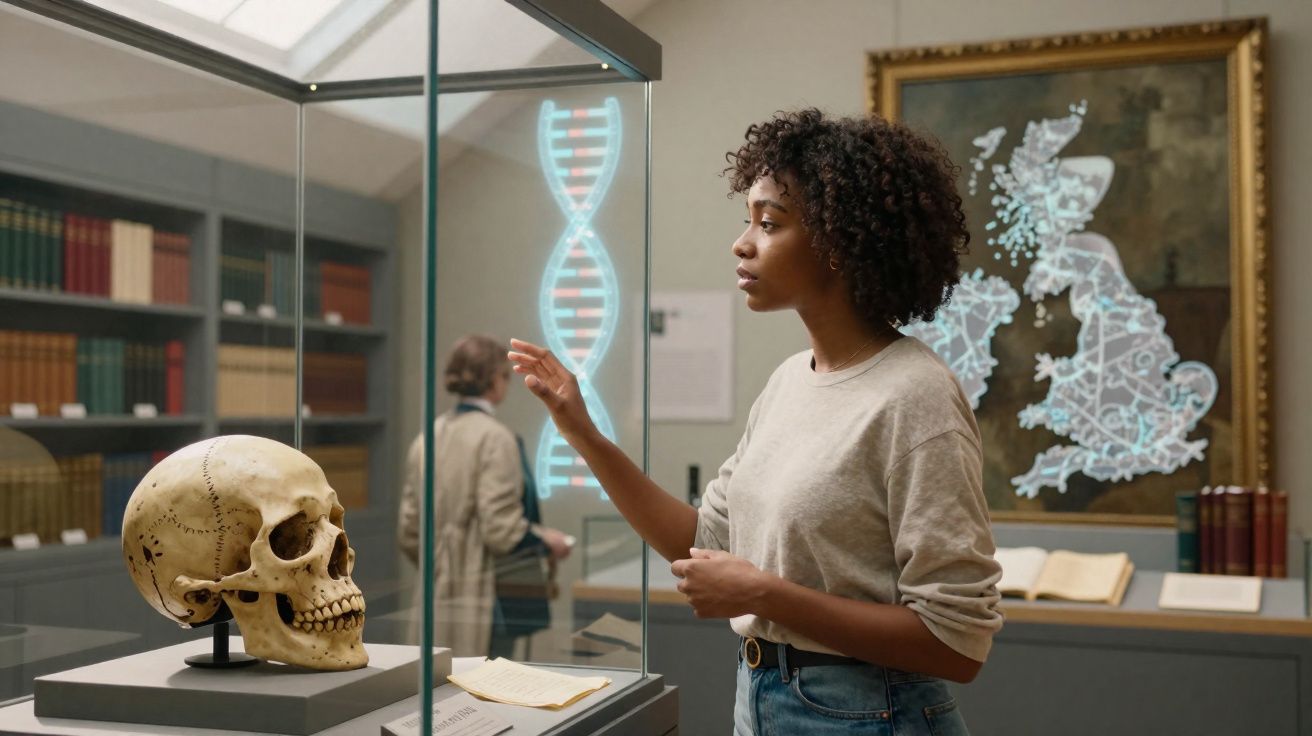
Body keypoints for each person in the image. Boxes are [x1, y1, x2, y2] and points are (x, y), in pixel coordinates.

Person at [509, 109, 1002, 734]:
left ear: (842, 241)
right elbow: (703, 544)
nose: (742, 243)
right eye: (748, 221)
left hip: (868, 712)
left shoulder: (916, 395)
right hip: (761, 696)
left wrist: (762, 594)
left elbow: (956, 644)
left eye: (769, 223)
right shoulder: (788, 382)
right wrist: (581, 431)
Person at [399, 334, 572, 658]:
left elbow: (409, 530)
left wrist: (442, 564)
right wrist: (546, 541)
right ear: (496, 380)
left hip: (434, 594)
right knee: (483, 690)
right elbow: (501, 531)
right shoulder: (496, 439)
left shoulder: (428, 437)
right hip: (485, 598)